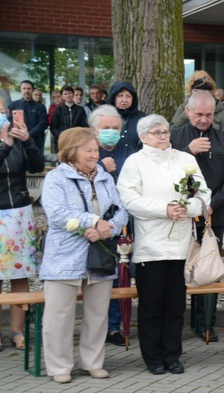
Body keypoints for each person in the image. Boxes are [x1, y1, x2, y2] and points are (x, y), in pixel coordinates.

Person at [117, 115, 211, 375]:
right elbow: (129, 199)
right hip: (151, 245)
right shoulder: (135, 162)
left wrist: (188, 208)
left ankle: (172, 355)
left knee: (175, 306)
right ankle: (153, 357)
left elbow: (203, 194)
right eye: (156, 133)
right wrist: (164, 209)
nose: (163, 136)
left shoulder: (185, 160)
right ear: (143, 137)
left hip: (181, 245)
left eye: (165, 132)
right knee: (151, 306)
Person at [39, 127, 129, 384]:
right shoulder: (56, 178)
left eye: (95, 150)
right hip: (64, 255)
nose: (94, 155)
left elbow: (121, 210)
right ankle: (59, 366)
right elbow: (56, 214)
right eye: (88, 150)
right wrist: (92, 221)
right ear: (71, 152)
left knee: (98, 313)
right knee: (59, 314)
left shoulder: (104, 177)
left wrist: (106, 228)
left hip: (100, 252)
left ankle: (93, 362)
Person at [171, 90, 224, 341]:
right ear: (188, 111)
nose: (203, 120)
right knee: (178, 269)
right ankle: (175, 324)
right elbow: (161, 173)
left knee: (208, 267)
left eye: (208, 115)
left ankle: (206, 323)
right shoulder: (174, 139)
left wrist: (212, 204)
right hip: (179, 216)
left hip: (211, 217)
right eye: (198, 114)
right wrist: (187, 151)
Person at [89, 104, 138, 347]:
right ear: (95, 130)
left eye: (115, 128)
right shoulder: (87, 153)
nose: (111, 131)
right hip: (94, 226)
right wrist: (100, 169)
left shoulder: (130, 152)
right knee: (99, 276)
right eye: (106, 128)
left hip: (124, 224)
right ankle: (96, 327)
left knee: (122, 276)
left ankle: (114, 327)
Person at [0, 112, 45, 351]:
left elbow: (37, 167)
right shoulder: (6, 144)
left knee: (21, 273)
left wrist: (27, 140)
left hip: (19, 212)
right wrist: (3, 147)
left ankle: (17, 331)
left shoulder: (17, 139)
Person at [170, 71, 224, 137]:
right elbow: (172, 131)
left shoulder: (219, 108)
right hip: (187, 145)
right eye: (196, 91)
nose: (200, 94)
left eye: (204, 91)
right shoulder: (183, 107)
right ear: (191, 92)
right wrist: (184, 116)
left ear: (211, 93)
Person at [9, 80, 48, 155]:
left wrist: (28, 135)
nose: (26, 91)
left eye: (29, 88)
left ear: (32, 90)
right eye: (24, 88)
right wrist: (20, 135)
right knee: (19, 165)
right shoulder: (13, 105)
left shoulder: (40, 107)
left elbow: (43, 124)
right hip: (18, 142)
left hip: (36, 142)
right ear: (20, 89)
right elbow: (10, 123)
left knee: (37, 165)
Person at [106, 82, 146, 150]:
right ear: (113, 98)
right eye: (120, 96)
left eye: (128, 96)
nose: (124, 100)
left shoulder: (143, 119)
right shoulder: (104, 118)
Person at [50, 85, 88, 151]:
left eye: (70, 93)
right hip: (62, 142)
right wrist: (61, 136)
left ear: (73, 94)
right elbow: (53, 127)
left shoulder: (80, 109)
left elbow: (84, 125)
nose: (68, 95)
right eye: (65, 94)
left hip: (76, 142)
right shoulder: (58, 110)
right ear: (62, 96)